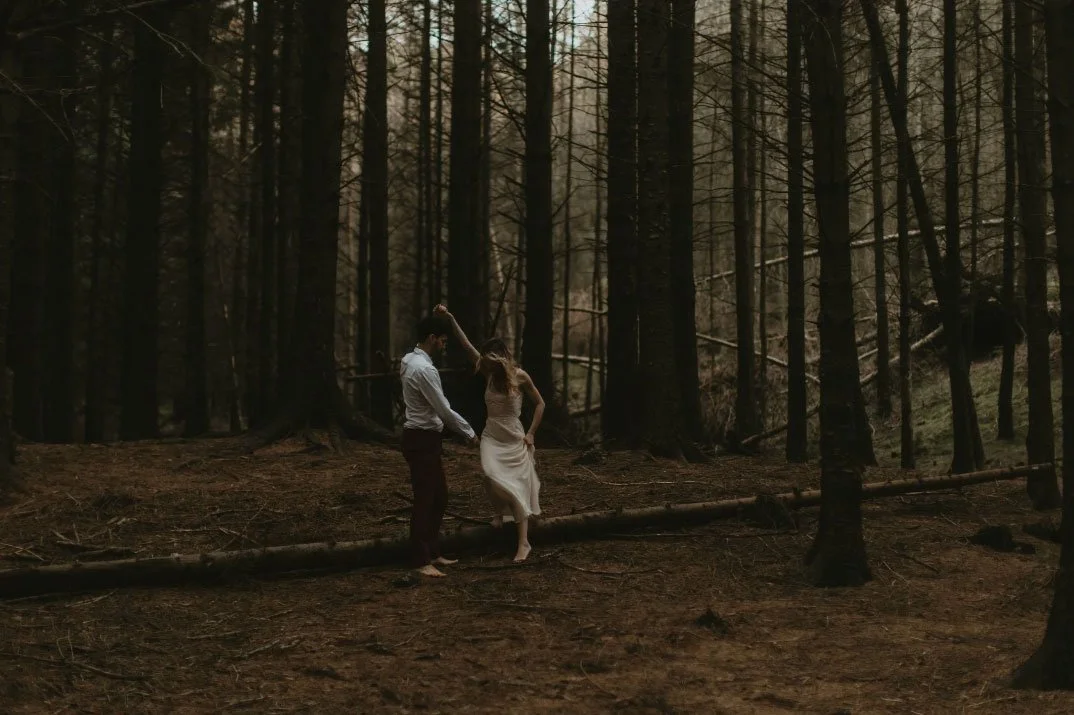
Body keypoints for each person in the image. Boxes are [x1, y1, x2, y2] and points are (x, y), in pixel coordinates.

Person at [434, 304, 545, 562]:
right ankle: (498, 512)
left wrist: (531, 433)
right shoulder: (487, 372)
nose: (483, 361)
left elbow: (540, 404)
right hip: (492, 433)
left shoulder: (520, 377)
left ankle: (523, 542)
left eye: (489, 357)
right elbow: (466, 346)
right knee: (489, 475)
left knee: (515, 485)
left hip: (515, 436)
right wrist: (450, 318)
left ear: (500, 357)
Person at [400, 313, 479, 578]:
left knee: (439, 497)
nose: (445, 345)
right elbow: (444, 410)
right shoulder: (423, 369)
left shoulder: (409, 360)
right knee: (425, 499)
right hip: (421, 438)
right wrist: (468, 433)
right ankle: (420, 559)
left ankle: (433, 551)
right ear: (432, 339)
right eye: (443, 341)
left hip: (425, 438)